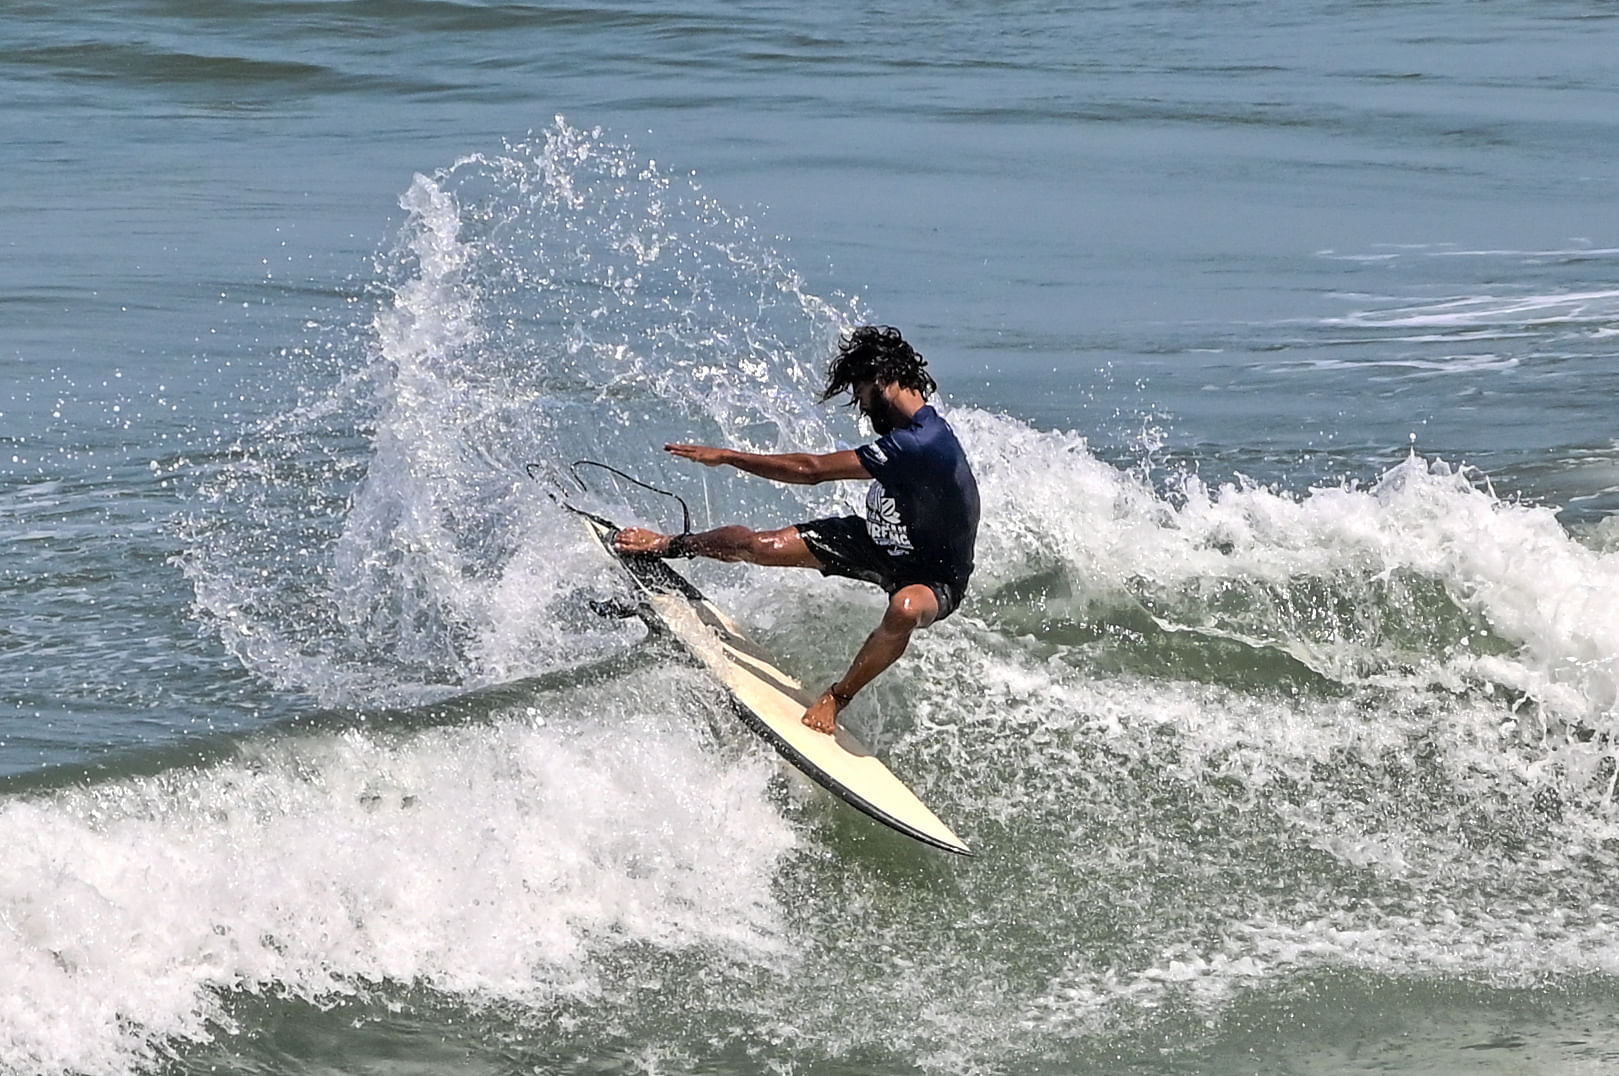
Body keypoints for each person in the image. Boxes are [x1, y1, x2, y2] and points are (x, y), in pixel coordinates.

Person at [613, 325, 980, 735]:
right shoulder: (915, 423)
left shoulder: (922, 442)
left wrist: (729, 457)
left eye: (858, 391)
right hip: (878, 540)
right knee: (760, 546)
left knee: (904, 610)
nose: (860, 404)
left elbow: (813, 471)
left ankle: (836, 698)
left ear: (879, 380)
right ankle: (670, 544)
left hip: (933, 576)